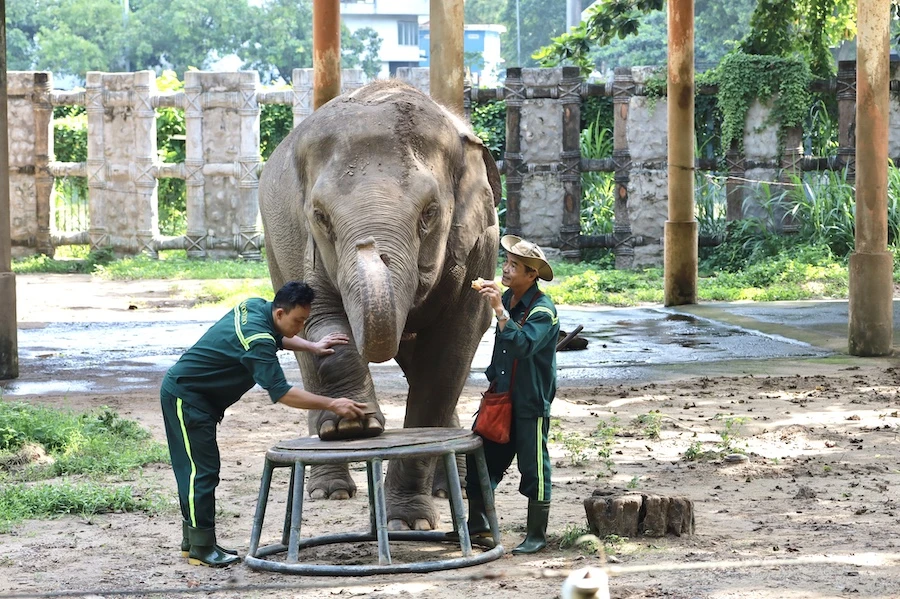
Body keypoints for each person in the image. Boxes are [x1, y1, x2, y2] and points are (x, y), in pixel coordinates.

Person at [160, 281, 368, 568]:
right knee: (201, 473)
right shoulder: (257, 341)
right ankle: (201, 548)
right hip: (188, 398)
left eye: (305, 321)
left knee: (195, 471)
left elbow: (278, 337)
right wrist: (332, 404)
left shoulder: (256, 306)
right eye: (298, 321)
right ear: (281, 313)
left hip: (195, 397)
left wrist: (311, 346)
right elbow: (282, 392)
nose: (300, 326)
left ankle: (192, 542)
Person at [466, 235, 560, 555]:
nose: (505, 270)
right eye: (505, 263)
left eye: (514, 266)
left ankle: (536, 534)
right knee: (482, 459)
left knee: (534, 468)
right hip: (500, 397)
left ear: (532, 275)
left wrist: (498, 310)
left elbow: (522, 345)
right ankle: (477, 524)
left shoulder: (543, 311)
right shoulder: (508, 299)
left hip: (530, 402)